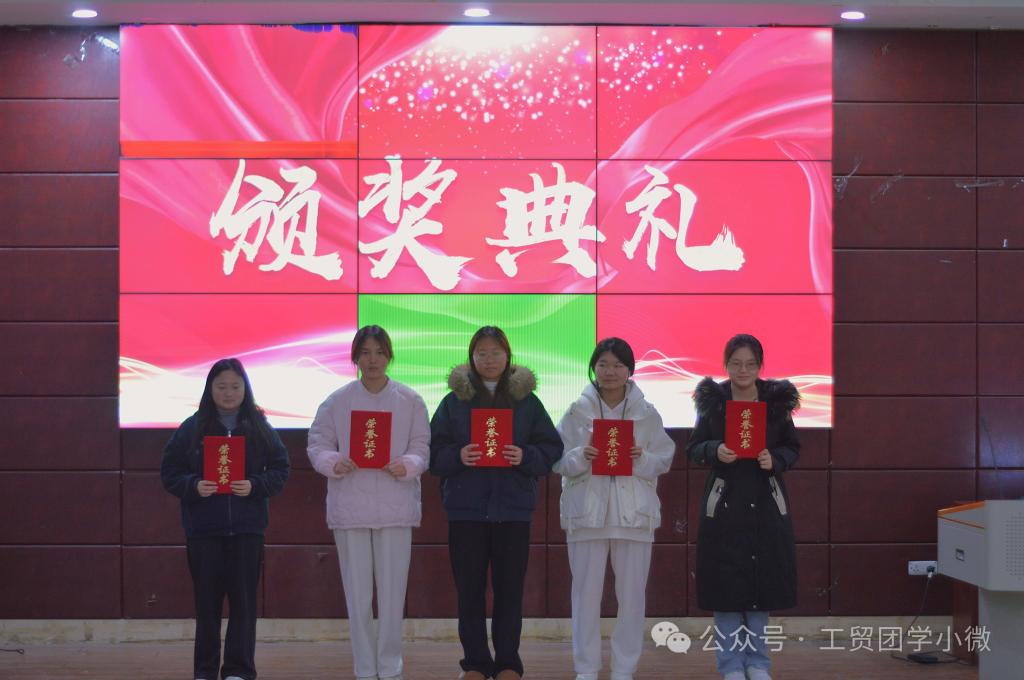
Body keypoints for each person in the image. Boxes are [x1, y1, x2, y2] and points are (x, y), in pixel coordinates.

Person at [429, 326, 564, 680]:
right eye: (482, 353)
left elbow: (551, 449)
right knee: (469, 591)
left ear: (508, 356)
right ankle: (475, 662)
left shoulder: (527, 402)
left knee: (509, 591)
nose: (489, 360)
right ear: (471, 357)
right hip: (466, 511)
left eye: (496, 352)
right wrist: (458, 455)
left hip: (513, 511)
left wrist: (525, 455)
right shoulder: (453, 403)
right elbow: (432, 453)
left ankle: (507, 663)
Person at [307, 325, 430, 680]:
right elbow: (318, 444)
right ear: (355, 357)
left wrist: (408, 464)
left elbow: (421, 447)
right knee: (357, 595)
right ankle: (364, 668)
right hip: (351, 507)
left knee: (392, 596)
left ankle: (390, 668)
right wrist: (333, 461)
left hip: (395, 506)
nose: (372, 360)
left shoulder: (410, 400)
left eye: (379, 352)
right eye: (365, 353)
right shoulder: (337, 401)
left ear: (389, 356)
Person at [161, 358, 290, 680]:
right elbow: (170, 472)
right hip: (204, 532)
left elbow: (280, 469)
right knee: (207, 607)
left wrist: (255, 485)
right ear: (210, 389)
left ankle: (239, 670)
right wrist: (193, 486)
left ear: (245, 389)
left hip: (247, 530)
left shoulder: (259, 427)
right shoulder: (192, 427)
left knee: (244, 606)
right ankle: (204, 671)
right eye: (221, 386)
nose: (228, 393)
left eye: (235, 386)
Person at [554, 337, 676, 680]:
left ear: (629, 370)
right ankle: (586, 669)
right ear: (594, 368)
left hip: (634, 516)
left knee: (632, 599)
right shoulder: (576, 411)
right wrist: (581, 456)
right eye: (603, 364)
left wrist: (642, 458)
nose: (610, 371)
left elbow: (664, 458)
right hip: (586, 515)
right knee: (585, 597)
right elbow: (557, 460)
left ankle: (624, 669)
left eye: (618, 365)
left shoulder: (646, 412)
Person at [686, 334, 800, 680]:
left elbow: (792, 447)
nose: (743, 370)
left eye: (750, 364)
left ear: (760, 366)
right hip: (724, 504)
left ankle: (758, 663)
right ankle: (731, 665)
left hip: (765, 503)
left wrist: (775, 459)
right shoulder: (713, 401)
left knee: (760, 587)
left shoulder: (776, 402)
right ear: (726, 365)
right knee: (726, 588)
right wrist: (714, 450)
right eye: (736, 363)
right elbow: (693, 448)